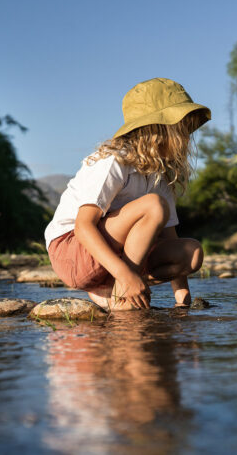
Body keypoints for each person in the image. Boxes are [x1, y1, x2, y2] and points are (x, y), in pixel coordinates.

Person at [44, 78, 209, 311]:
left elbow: (170, 238)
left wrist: (183, 302)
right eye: (181, 130)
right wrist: (126, 275)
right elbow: (83, 226)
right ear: (156, 130)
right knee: (153, 205)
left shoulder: (161, 174)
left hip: (115, 256)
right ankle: (121, 290)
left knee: (191, 252)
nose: (187, 138)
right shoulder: (114, 161)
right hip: (73, 249)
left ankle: (111, 289)